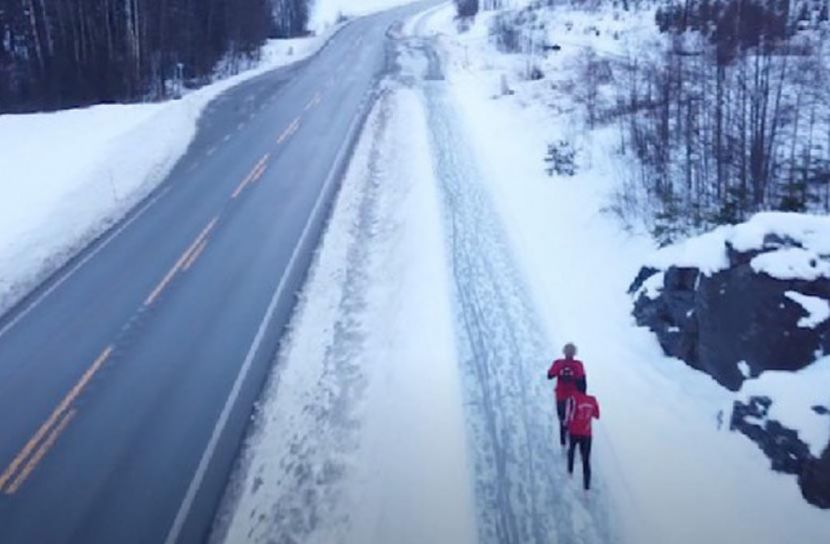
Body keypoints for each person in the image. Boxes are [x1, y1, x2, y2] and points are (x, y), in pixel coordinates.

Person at [546, 343, 587, 446]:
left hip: (560, 394)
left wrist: (559, 371)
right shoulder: (578, 365)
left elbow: (550, 375)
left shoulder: (558, 363)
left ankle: (563, 440)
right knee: (573, 417)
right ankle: (573, 439)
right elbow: (583, 382)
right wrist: (583, 396)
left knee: (562, 417)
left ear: (564, 352)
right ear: (574, 353)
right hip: (574, 396)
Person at [565, 387, 600, 490]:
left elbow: (571, 415)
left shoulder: (573, 398)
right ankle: (586, 486)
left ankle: (569, 472)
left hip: (574, 431)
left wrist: (566, 424)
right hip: (587, 434)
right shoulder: (592, 400)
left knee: (571, 450)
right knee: (586, 460)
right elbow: (597, 415)